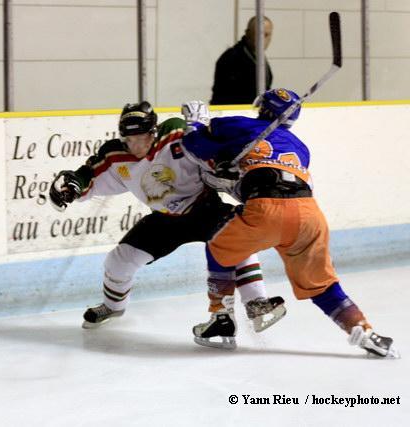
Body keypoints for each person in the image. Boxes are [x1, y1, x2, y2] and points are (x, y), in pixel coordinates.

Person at [48, 101, 286, 349]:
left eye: (141, 138)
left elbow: (208, 146)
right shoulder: (116, 155)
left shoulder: (174, 132)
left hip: (205, 208)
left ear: (153, 131)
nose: (136, 146)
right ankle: (113, 307)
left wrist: (217, 152)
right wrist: (72, 188)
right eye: (129, 140)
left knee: (238, 242)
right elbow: (89, 175)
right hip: (165, 221)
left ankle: (257, 304)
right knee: (118, 261)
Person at [181, 89, 399, 358]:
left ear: (262, 107)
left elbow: (195, 147)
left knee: (219, 250)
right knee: (320, 283)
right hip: (308, 213)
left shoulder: (238, 124)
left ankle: (221, 319)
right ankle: (365, 332)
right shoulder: (300, 146)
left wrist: (195, 123)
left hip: (266, 207)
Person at [210, 16, 273, 105]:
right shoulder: (231, 58)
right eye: (258, 34)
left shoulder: (259, 57)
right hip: (232, 114)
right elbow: (228, 97)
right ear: (248, 33)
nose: (262, 40)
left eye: (267, 35)